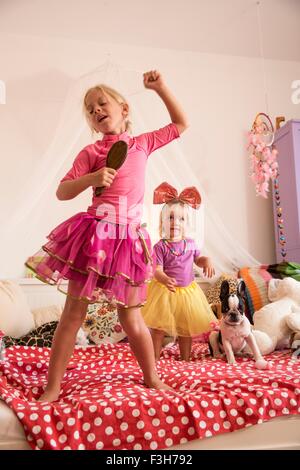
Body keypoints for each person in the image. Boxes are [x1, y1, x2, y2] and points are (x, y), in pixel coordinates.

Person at [25, 70, 188, 401]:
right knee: (73, 315)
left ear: (124, 108)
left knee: (132, 319)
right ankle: (53, 386)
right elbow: (61, 192)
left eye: (102, 103)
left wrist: (160, 88)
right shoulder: (90, 153)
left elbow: (181, 123)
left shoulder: (142, 143)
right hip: (95, 236)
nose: (96, 110)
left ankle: (152, 378)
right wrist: (92, 178)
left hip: (128, 240)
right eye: (90, 109)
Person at [141, 182, 216, 361]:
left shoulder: (190, 244)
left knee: (185, 329)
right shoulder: (160, 246)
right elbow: (156, 269)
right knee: (158, 329)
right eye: (171, 218)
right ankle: (153, 358)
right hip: (165, 291)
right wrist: (164, 278)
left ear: (186, 223)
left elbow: (198, 260)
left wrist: (207, 260)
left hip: (187, 293)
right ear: (163, 222)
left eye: (181, 219)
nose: (176, 222)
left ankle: (185, 358)